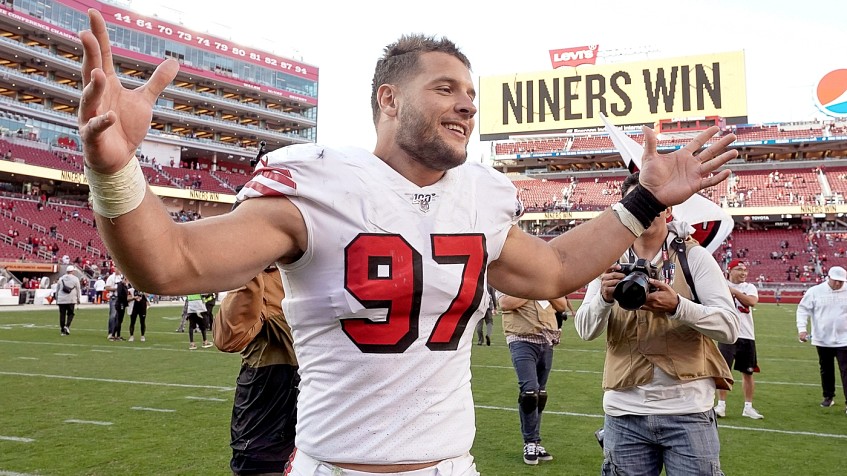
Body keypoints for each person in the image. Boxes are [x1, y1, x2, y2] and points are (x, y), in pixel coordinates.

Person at [78, 9, 737, 473]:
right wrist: (115, 170)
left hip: (449, 464)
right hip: (340, 465)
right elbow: (170, 263)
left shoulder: (479, 196)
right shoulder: (315, 183)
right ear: (388, 100)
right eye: (444, 88)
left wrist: (644, 199)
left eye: (472, 96)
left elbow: (553, 270)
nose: (466, 106)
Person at [574, 172, 739, 476]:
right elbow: (584, 329)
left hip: (687, 410)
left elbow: (730, 327)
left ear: (669, 210)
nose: (645, 212)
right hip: (624, 412)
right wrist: (604, 299)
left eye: (654, 203)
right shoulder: (608, 260)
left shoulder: (694, 257)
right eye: (636, 204)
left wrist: (678, 306)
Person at [214, 266, 298, 475]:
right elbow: (227, 338)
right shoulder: (265, 275)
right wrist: (252, 266)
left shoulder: (325, 272)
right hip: (268, 419)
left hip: (316, 419)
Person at [498, 291, 570, 465]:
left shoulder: (548, 282)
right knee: (529, 392)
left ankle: (536, 442)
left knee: (540, 394)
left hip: (546, 339)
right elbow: (506, 303)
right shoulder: (512, 279)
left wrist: (543, 287)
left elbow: (561, 305)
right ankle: (529, 442)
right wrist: (534, 288)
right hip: (521, 338)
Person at [715, 259, 763, 419]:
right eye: (739, 269)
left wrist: (734, 292)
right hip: (727, 334)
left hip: (747, 334)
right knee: (723, 372)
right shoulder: (720, 284)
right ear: (730, 271)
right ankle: (720, 405)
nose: (743, 273)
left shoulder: (749, 287)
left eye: (745, 270)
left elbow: (751, 301)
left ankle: (748, 407)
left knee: (747, 372)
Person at [796, 266, 847, 411]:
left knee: (846, 370)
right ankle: (828, 397)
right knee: (826, 369)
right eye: (836, 281)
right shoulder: (815, 291)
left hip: (844, 339)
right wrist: (802, 329)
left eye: (841, 282)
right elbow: (803, 309)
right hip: (822, 338)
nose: (838, 284)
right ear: (829, 277)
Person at [56, 265, 81, 335]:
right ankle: (67, 326)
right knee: (71, 313)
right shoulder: (75, 279)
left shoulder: (61, 278)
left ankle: (62, 330)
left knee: (62, 314)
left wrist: (57, 298)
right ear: (72, 271)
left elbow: (57, 289)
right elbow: (78, 290)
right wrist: (78, 299)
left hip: (61, 299)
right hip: (71, 299)